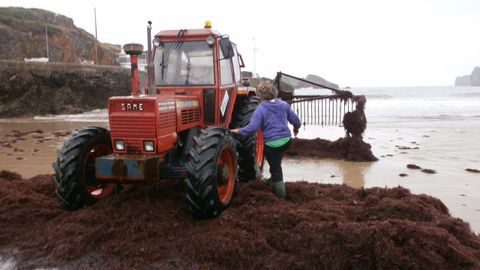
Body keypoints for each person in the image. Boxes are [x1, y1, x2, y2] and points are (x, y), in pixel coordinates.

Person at [231, 82, 301, 199]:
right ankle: (272, 179)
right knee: (276, 160)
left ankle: (282, 198)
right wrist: (296, 129)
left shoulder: (260, 109)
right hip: (286, 141)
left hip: (272, 145)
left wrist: (236, 131)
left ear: (261, 95)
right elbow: (296, 120)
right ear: (275, 92)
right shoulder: (283, 105)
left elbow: (252, 129)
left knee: (276, 170)